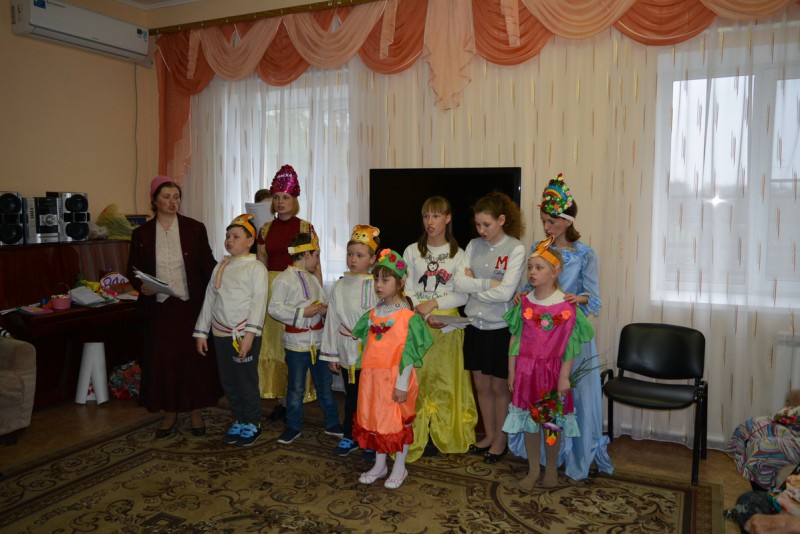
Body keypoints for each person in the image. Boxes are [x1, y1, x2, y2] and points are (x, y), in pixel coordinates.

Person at [512, 172, 613, 481]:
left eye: (552, 221)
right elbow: (533, 285)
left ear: (567, 221)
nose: (546, 227)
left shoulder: (585, 253)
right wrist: (522, 295)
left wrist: (576, 298)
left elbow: (594, 297)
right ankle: (541, 459)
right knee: (541, 395)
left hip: (569, 332)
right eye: (544, 221)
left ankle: (576, 455)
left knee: (569, 394)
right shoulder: (538, 248)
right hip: (540, 334)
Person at [127, 175, 222, 438]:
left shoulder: (195, 228)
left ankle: (195, 412)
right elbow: (132, 269)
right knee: (164, 361)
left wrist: (226, 277)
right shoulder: (141, 233)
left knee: (194, 361)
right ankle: (169, 413)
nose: (172, 201)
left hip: (190, 307)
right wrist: (141, 285)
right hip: (159, 310)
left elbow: (208, 264)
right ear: (155, 201)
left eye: (176, 197)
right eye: (166, 197)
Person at [501, 237, 594, 489]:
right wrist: (512, 371)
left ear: (555, 272)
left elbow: (569, 346)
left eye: (539, 267)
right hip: (526, 372)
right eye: (530, 267)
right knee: (530, 422)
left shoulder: (566, 306)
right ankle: (533, 469)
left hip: (552, 373)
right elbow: (515, 339)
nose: (532, 272)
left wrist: (564, 377)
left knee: (551, 423)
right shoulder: (524, 303)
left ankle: (551, 467)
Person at [454, 191, 526, 463]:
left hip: (500, 328)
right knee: (481, 386)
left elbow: (506, 293)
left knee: (499, 388)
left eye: (487, 224)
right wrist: (487, 285)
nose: (481, 230)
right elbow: (459, 283)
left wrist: (474, 286)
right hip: (475, 325)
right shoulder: (472, 246)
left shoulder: (515, 249)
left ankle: (501, 440)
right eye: (478, 224)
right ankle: (489, 435)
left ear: (502, 220)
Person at [351, 249, 433, 489]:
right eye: (376, 279)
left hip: (396, 380)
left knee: (397, 423)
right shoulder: (373, 314)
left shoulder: (408, 317)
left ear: (400, 282)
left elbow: (408, 355)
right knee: (377, 421)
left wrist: (401, 385)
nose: (379, 284)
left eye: (385, 280)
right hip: (372, 379)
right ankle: (380, 465)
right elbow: (365, 346)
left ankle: (400, 466)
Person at [402, 196, 476, 461]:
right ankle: (418, 434)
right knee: (418, 379)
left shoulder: (459, 254)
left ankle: (441, 432)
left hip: (447, 328)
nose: (430, 222)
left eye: (435, 216)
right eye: (426, 216)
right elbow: (407, 289)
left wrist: (434, 304)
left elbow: (463, 294)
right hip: (419, 322)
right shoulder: (412, 251)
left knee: (444, 381)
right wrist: (422, 313)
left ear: (447, 218)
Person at [193, 214, 269, 446]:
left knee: (245, 380)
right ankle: (239, 418)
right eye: (227, 236)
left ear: (250, 241)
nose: (229, 240)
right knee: (229, 381)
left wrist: (249, 336)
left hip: (243, 335)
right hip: (221, 334)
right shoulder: (221, 266)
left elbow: (258, 302)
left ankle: (252, 422)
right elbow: (210, 299)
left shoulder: (256, 268)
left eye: (236, 236)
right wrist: (201, 331)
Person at [256, 165, 321, 422]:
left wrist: (318, 300)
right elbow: (260, 265)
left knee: (295, 345)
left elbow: (315, 265)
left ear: (294, 200)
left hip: (299, 290)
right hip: (273, 291)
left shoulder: (305, 227)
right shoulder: (265, 229)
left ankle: (293, 398)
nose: (280, 202)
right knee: (274, 345)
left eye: (286, 197)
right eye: (277, 197)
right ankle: (280, 399)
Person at [268, 232, 341, 445]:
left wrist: (325, 310)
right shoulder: (284, 279)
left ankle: (332, 423)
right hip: (296, 345)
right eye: (316, 255)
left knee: (325, 386)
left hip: (318, 343)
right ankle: (293, 426)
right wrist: (302, 312)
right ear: (306, 254)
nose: (318, 261)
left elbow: (323, 302)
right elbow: (275, 308)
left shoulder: (312, 280)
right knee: (296, 389)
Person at [320, 225, 381, 456]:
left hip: (369, 351)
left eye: (359, 255)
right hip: (346, 350)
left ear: (372, 259)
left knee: (370, 397)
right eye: (350, 254)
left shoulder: (376, 285)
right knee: (351, 396)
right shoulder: (340, 284)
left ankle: (370, 437)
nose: (353, 259)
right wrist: (331, 353)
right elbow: (333, 320)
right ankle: (350, 434)